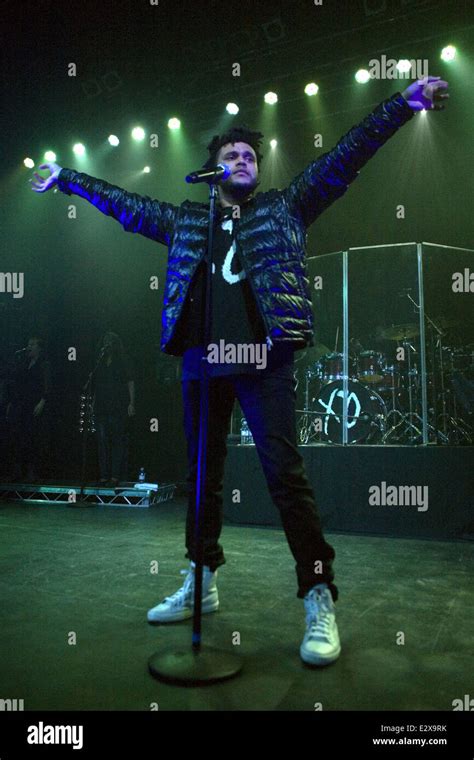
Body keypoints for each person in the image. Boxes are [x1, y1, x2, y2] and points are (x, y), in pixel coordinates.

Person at [31, 76, 449, 666]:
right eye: (232, 154)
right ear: (212, 169)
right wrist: (68, 180)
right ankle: (201, 581)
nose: (244, 160)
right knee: (202, 477)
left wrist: (399, 107)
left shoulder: (285, 207)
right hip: (203, 359)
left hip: (263, 358)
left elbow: (346, 155)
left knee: (285, 477)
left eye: (251, 155)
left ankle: (319, 593)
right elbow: (124, 206)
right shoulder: (186, 219)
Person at [92, 332, 135, 487]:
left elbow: (130, 381)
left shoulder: (123, 360)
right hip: (102, 406)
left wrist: (131, 402)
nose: (107, 343)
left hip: (118, 406)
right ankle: (103, 476)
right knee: (101, 441)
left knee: (117, 440)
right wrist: (94, 402)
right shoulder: (100, 361)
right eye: (105, 341)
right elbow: (96, 383)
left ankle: (115, 476)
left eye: (110, 341)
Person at [6, 337, 51, 482]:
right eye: (28, 344)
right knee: (19, 438)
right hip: (22, 406)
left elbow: (47, 384)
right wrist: (12, 403)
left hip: (35, 405)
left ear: (39, 348)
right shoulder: (24, 364)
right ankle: (18, 471)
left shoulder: (44, 364)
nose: (28, 347)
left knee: (33, 439)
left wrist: (42, 401)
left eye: (32, 344)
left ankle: (33, 472)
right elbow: (18, 385)